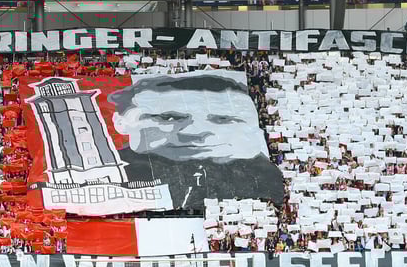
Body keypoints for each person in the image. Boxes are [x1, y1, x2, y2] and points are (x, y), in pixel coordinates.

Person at [108, 72, 286, 209]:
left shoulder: (265, 179)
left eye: (222, 119)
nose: (198, 132)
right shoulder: (102, 173)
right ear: (121, 123)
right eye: (169, 118)